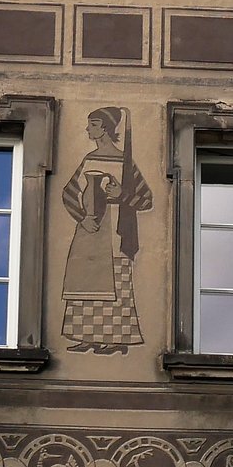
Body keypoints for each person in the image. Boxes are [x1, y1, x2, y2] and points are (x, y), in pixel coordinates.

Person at [60, 106, 152, 353]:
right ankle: (86, 336)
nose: (88, 129)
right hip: (91, 229)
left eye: (93, 124)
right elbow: (69, 193)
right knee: (84, 283)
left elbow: (146, 199)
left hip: (114, 232)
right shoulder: (89, 159)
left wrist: (123, 194)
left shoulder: (125, 162)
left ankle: (116, 340)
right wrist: (81, 218)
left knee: (117, 284)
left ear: (106, 128)